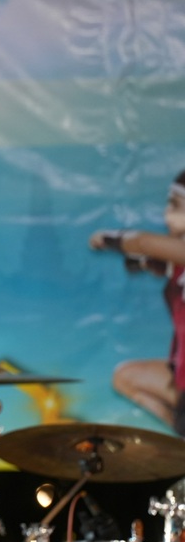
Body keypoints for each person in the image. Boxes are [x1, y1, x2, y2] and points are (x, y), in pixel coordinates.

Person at [89, 169, 185, 435]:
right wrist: (144, 263)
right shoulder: (176, 263)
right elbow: (155, 260)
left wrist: (107, 238)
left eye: (175, 205)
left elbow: (143, 242)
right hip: (181, 378)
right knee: (127, 376)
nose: (166, 214)